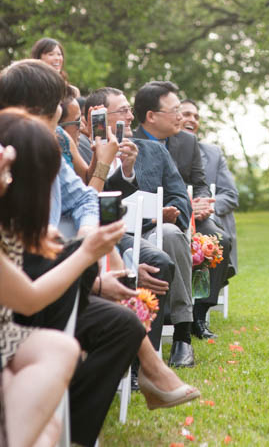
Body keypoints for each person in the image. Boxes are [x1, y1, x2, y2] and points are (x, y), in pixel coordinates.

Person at [0, 61, 199, 443]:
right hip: (31, 284)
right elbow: (29, 278)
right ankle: (152, 368)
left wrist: (92, 239)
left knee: (123, 321)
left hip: (46, 268)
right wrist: (89, 252)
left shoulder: (48, 146)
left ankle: (74, 429)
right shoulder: (26, 146)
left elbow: (88, 201)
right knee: (120, 268)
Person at [0, 108, 125, 447]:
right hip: (15, 326)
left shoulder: (12, 225)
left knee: (49, 430)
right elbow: (28, 297)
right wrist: (88, 252)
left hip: (11, 333)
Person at [82, 87, 178, 358]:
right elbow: (91, 199)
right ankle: (137, 361)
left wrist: (126, 169)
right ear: (99, 116)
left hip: (123, 230)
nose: (129, 114)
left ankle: (145, 360)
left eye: (128, 109)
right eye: (122, 110)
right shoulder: (83, 147)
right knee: (150, 264)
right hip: (95, 231)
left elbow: (118, 200)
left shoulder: (131, 148)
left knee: (160, 264)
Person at [109, 81, 197, 368]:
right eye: (174, 110)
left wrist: (172, 211)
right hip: (119, 233)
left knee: (171, 233)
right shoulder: (90, 152)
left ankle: (183, 334)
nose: (129, 118)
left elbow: (179, 194)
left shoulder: (154, 151)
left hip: (155, 230)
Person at [179, 99, 238, 338]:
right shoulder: (163, 147)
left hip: (203, 217)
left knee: (218, 239)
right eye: (185, 114)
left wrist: (208, 207)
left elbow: (230, 195)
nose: (191, 119)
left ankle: (200, 315)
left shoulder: (212, 154)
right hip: (174, 216)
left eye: (196, 116)